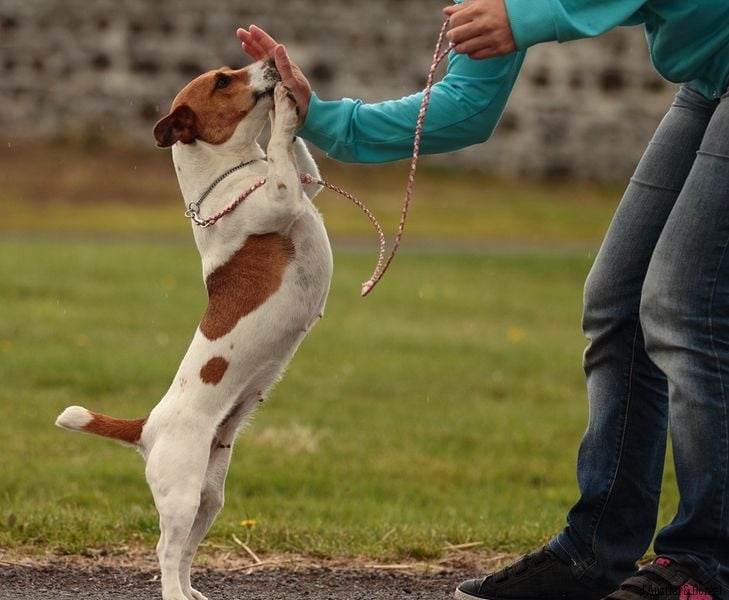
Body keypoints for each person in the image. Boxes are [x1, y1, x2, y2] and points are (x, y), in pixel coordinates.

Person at [237, 0, 729, 598]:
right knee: (617, 304)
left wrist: (527, 17)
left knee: (683, 305)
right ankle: (595, 552)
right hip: (710, 78)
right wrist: (322, 117)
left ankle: (707, 566)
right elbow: (465, 107)